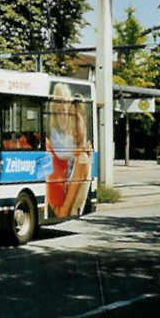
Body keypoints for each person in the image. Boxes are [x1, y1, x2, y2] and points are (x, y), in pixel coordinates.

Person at [45, 83, 92, 218]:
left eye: (75, 117)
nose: (73, 125)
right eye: (71, 118)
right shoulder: (68, 146)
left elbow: (63, 212)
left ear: (84, 120)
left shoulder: (81, 159)